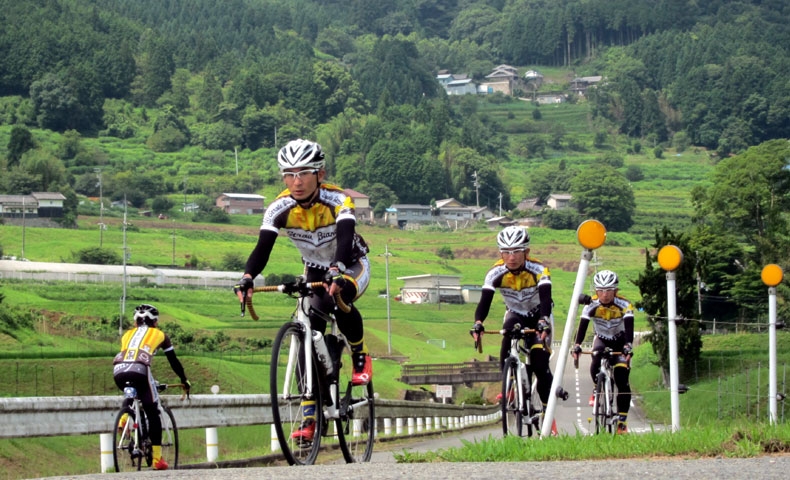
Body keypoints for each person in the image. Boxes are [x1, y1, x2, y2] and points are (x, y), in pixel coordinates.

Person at [235, 138, 371, 443]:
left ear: (320, 174)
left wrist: (337, 268)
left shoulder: (338, 201)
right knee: (307, 333)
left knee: (339, 296)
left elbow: (346, 237)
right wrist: (247, 277)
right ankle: (311, 414)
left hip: (350, 263)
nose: (296, 181)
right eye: (289, 174)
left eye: (303, 173)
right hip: (314, 269)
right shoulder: (278, 208)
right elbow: (263, 248)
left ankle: (360, 355)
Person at [472, 225, 557, 435]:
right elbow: (485, 300)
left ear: (526, 252)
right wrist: (478, 322)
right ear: (500, 253)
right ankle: (509, 384)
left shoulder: (539, 269)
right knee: (507, 333)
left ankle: (549, 415)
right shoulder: (495, 272)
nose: (511, 257)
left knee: (538, 362)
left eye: (516, 251)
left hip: (539, 315)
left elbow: (546, 297)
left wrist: (544, 320)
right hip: (515, 313)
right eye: (506, 252)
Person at [112, 304, 190, 470]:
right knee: (152, 410)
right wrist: (184, 379)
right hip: (140, 369)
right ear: (155, 321)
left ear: (135, 322)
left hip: (119, 369)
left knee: (131, 393)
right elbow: (173, 361)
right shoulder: (160, 334)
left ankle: (124, 419)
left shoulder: (127, 334)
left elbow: (129, 357)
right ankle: (157, 460)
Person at [572, 269, 634, 435]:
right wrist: (577, 344)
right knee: (595, 358)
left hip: (620, 341)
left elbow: (629, 328)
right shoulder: (591, 304)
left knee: (622, 380)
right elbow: (583, 326)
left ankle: (622, 421)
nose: (604, 295)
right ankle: (597, 388)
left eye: (608, 291)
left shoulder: (624, 305)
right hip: (602, 339)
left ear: (615, 291)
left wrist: (628, 345)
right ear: (596, 291)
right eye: (600, 290)